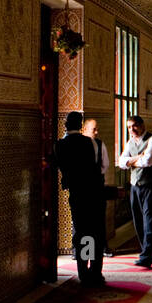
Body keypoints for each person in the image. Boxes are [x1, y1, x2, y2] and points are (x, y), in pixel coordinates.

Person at [54, 111, 105, 286]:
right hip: (94, 192)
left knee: (83, 232)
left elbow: (58, 165)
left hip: (77, 194)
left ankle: (84, 272)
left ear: (65, 124)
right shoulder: (90, 142)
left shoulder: (60, 145)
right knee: (95, 231)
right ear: (81, 124)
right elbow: (98, 167)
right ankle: (95, 271)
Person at [117, 114, 152, 268]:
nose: (132, 129)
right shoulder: (130, 142)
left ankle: (147, 255)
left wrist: (132, 161)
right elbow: (121, 162)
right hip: (135, 186)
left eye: (135, 126)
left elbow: (148, 161)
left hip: (151, 186)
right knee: (138, 220)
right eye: (129, 127)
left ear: (142, 125)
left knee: (150, 220)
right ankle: (147, 252)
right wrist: (137, 158)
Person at [82, 116, 110, 260]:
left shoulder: (99, 144)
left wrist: (95, 176)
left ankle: (100, 249)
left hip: (97, 187)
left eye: (97, 129)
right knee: (83, 222)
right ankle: (83, 253)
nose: (97, 132)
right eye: (94, 129)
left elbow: (105, 164)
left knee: (99, 220)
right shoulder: (79, 145)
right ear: (84, 129)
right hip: (83, 190)